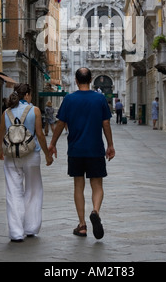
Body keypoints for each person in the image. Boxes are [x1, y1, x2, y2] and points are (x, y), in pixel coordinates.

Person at [48, 67, 115, 240]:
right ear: (91, 79)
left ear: (76, 81)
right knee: (97, 185)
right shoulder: (100, 98)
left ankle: (82, 225)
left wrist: (53, 143)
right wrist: (110, 145)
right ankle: (95, 211)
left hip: (76, 150)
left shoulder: (69, 99)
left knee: (78, 186)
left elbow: (61, 123)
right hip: (95, 149)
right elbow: (106, 123)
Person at [0, 83, 53, 243]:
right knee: (34, 190)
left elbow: (1, 133)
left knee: (13, 192)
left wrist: (0, 150)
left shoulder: (6, 112)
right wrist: (47, 154)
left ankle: (15, 232)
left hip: (11, 156)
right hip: (31, 155)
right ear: (27, 95)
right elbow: (40, 135)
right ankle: (31, 228)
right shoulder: (34, 110)